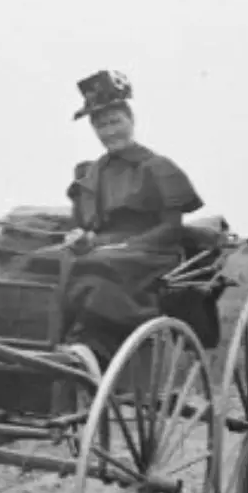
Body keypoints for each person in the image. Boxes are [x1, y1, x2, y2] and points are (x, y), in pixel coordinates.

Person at [57, 69, 207, 361]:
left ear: (131, 120)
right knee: (47, 260)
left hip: (151, 253)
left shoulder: (158, 167)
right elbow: (83, 226)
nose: (110, 131)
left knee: (95, 268)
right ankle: (49, 338)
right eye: (101, 125)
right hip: (102, 250)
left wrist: (125, 246)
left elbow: (171, 229)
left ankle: (94, 348)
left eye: (116, 121)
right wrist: (79, 237)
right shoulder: (91, 174)